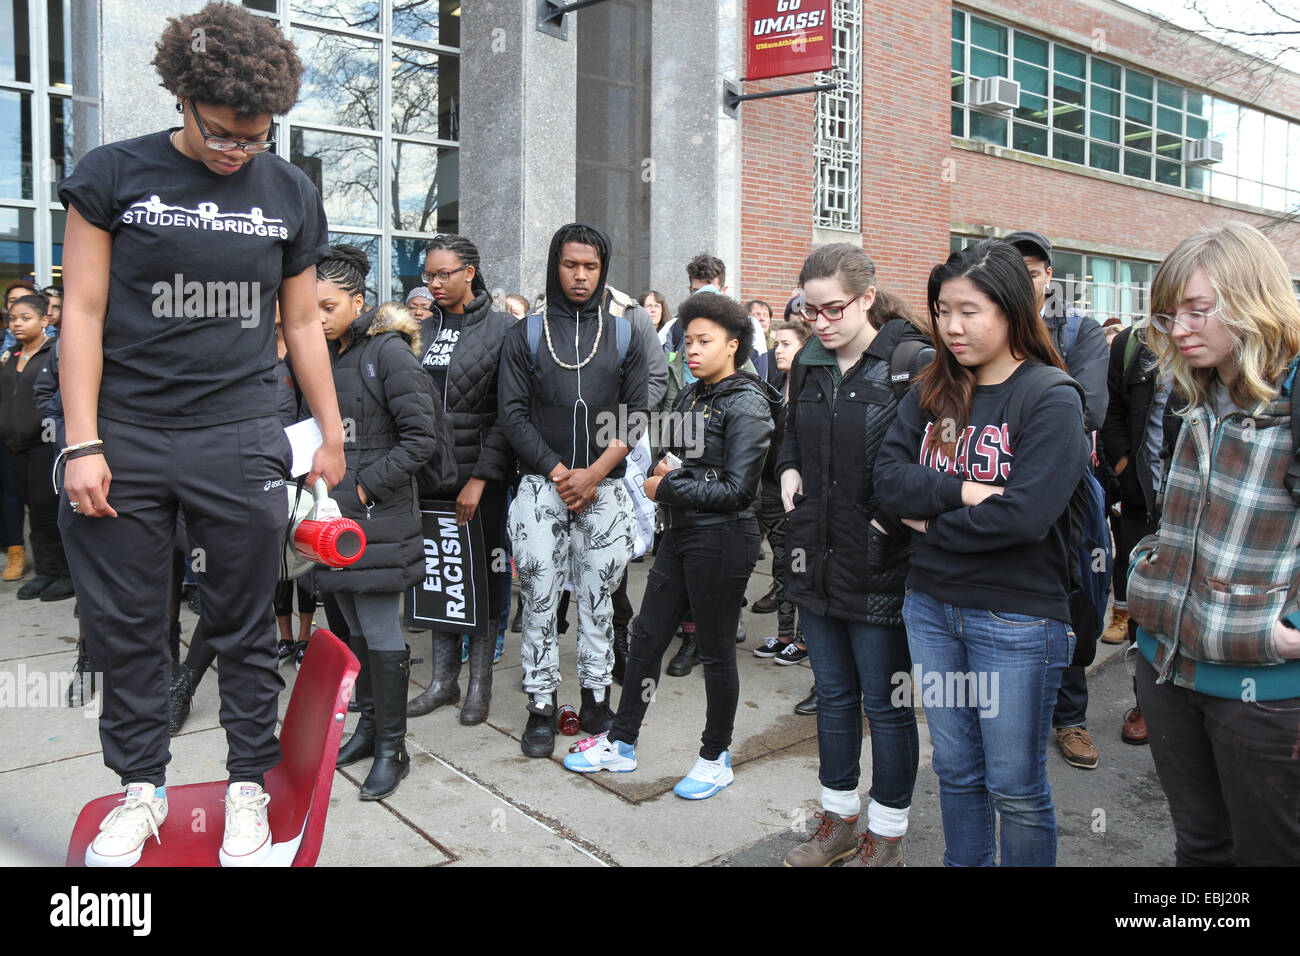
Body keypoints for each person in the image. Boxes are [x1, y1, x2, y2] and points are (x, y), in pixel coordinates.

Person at [57, 2, 344, 867]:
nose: (236, 150)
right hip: (129, 437)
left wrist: (330, 432)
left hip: (240, 436)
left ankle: (247, 787)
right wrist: (80, 440)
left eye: (254, 138)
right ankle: (139, 790)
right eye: (222, 133)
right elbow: (82, 306)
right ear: (181, 97)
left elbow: (300, 327)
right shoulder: (113, 174)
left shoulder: (288, 190)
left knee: (246, 622)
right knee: (130, 626)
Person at [875, 240, 1090, 866]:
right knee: (956, 770)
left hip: (1016, 619)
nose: (952, 327)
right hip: (931, 608)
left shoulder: (1051, 396)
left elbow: (1023, 516)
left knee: (1015, 787)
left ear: (1013, 310)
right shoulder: (934, 388)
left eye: (969, 310)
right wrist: (965, 490)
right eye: (943, 311)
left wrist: (922, 522)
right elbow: (887, 480)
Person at [1126, 221, 1300, 866]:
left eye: (1199, 311)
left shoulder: (1294, 399)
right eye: (1170, 315)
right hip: (1166, 666)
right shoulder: (1196, 393)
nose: (1179, 330)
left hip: (1266, 686)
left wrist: (1290, 628)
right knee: (1199, 850)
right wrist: (1152, 573)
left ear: (1254, 301)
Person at [563, 291, 774, 798]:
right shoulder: (692, 395)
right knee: (647, 636)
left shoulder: (748, 402)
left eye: (705, 341)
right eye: (687, 341)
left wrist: (667, 485)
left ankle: (714, 755)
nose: (692, 350)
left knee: (718, 652)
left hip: (723, 540)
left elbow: (739, 490)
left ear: (734, 344)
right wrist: (667, 471)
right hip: (681, 534)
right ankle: (621, 740)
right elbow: (674, 456)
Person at [776, 246, 932, 866]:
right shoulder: (807, 367)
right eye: (809, 310)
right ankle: (837, 818)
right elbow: (790, 435)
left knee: (886, 704)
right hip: (814, 553)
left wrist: (888, 521)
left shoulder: (908, 365)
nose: (820, 322)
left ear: (867, 298)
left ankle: (888, 831)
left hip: (882, 561)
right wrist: (787, 469)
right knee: (834, 695)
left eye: (832, 308)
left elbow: (930, 463)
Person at [498, 222, 649, 757]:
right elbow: (511, 414)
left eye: (591, 266)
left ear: (603, 269)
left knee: (600, 599)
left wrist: (594, 474)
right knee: (538, 599)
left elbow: (636, 413)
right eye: (570, 265)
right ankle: (541, 704)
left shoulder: (626, 333)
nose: (581, 276)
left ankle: (595, 698)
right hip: (542, 487)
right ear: (554, 267)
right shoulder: (528, 334)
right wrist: (561, 472)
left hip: (604, 488)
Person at [317, 245, 435, 800]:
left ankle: (394, 748)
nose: (316, 317)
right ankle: (369, 728)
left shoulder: (387, 353)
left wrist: (364, 485)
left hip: (375, 519)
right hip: (332, 521)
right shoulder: (324, 355)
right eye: (308, 307)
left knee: (382, 632)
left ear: (358, 302)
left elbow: (421, 439)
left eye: (327, 306)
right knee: (352, 631)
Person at [1004, 229, 1109, 771]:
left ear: (1049, 276)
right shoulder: (987, 325)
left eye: (1034, 267)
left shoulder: (1078, 329)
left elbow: (1087, 408)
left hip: (1067, 489)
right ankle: (1016, 714)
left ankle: (1070, 717)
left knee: (1077, 600)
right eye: (1012, 265)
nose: (1024, 275)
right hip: (995, 482)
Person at [403, 234, 515, 726]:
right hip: (426, 478)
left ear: (470, 271)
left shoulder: (503, 330)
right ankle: (443, 681)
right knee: (437, 575)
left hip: (478, 480)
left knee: (482, 578)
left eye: (444, 274)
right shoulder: (417, 331)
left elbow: (508, 415)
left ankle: (478, 685)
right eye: (428, 275)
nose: (434, 284)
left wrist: (483, 479)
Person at [1099, 322, 1177, 747]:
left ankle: (1191, 702)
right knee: (1142, 603)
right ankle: (1146, 701)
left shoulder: (1230, 339)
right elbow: (1112, 415)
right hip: (1142, 502)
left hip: (1202, 505)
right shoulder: (1132, 344)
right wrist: (1127, 473)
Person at [0, 294, 73, 600]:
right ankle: (45, 571)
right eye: (13, 318)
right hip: (14, 446)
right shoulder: (11, 355)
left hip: (44, 445)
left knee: (48, 509)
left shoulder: (55, 353)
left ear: (45, 321)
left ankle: (66, 574)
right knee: (32, 508)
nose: (17, 324)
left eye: (25, 318)